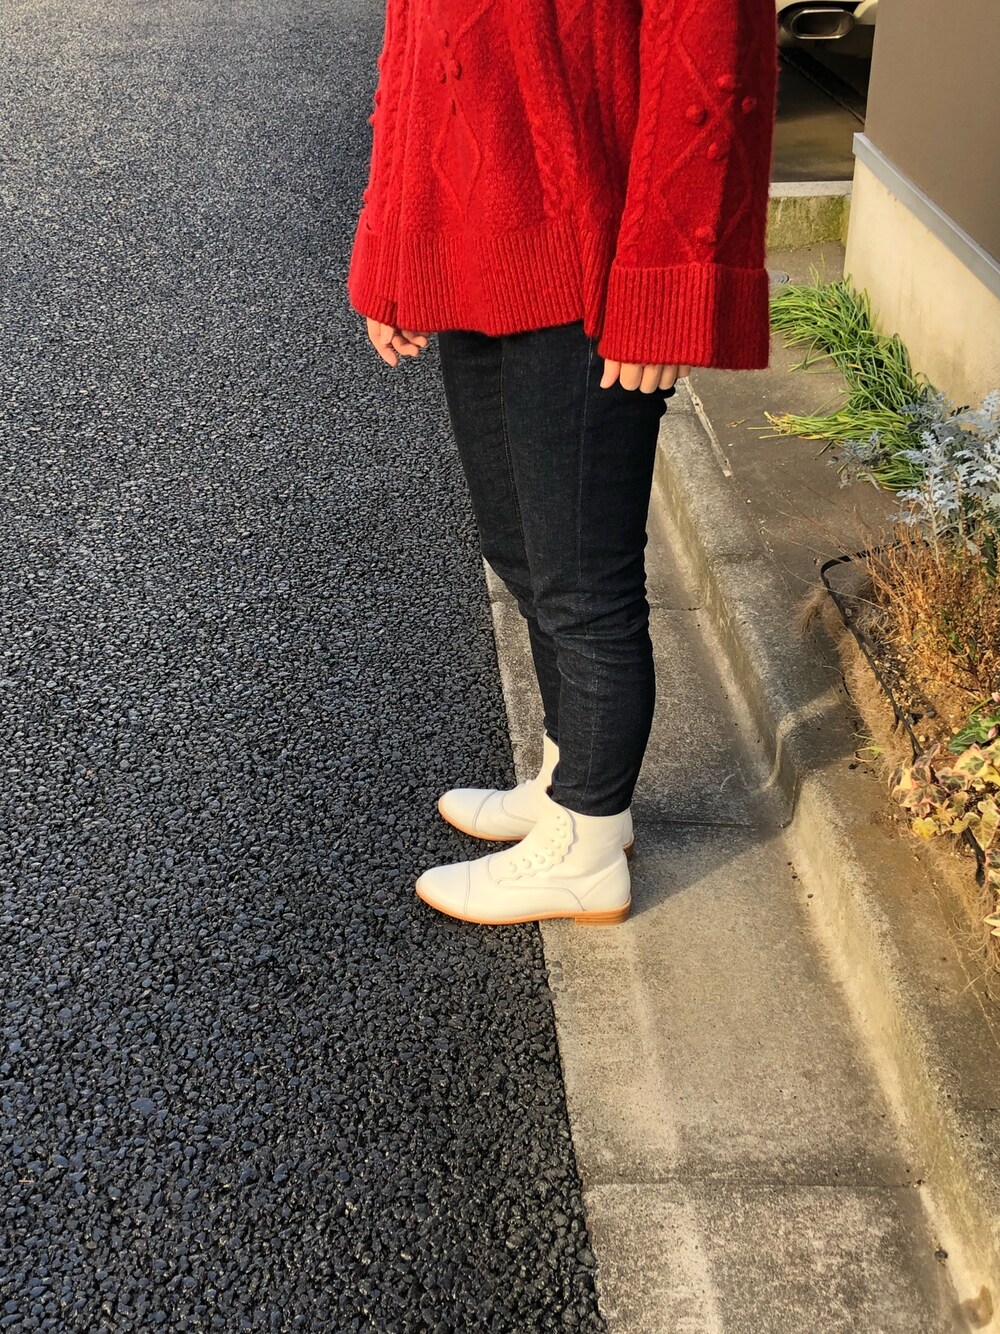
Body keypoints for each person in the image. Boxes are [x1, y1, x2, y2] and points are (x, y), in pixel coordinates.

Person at [347, 0, 778, 926]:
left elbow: (712, 44)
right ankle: (566, 782)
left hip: (595, 255)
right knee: (520, 552)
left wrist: (668, 281)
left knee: (584, 583)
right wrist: (391, 248)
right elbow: (412, 45)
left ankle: (588, 842)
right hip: (472, 248)